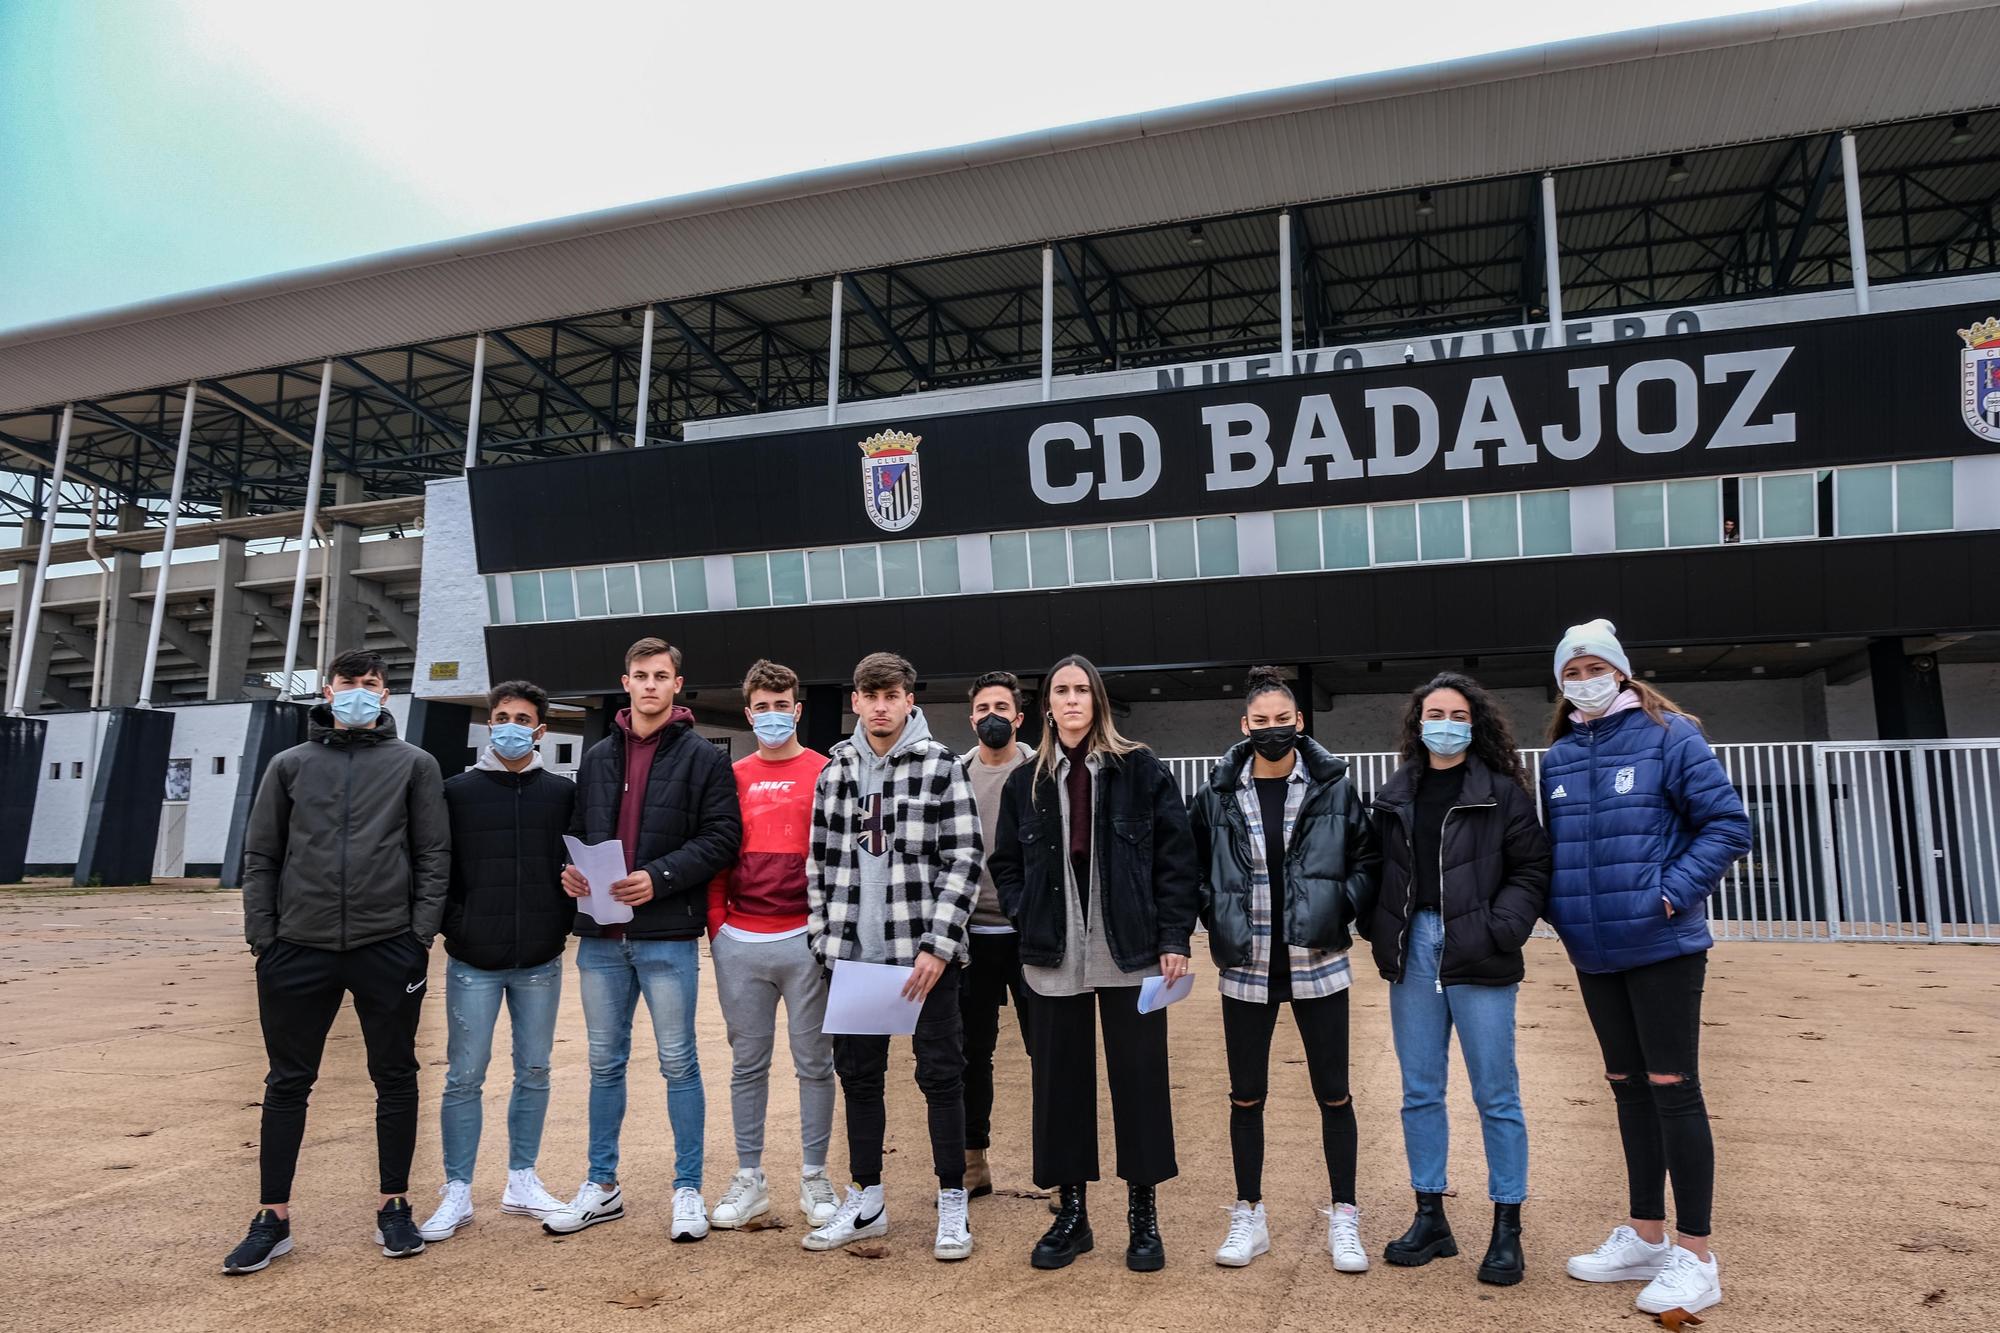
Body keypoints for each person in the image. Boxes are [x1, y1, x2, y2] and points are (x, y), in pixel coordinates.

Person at [1543, 619, 1750, 1320]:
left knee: (1673, 1088)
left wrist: (1668, 893)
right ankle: (1645, 1234)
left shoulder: (1671, 733)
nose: (1585, 679)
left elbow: (1727, 823)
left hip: (1662, 944)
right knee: (1627, 1088)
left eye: (1596, 666)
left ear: (1623, 672)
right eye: (1572, 671)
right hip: (1594, 950)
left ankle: (1695, 1255)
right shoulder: (1560, 754)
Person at [226, 648, 450, 1273]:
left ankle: (395, 1206)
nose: (358, 693)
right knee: (287, 1082)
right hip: (298, 948)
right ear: (328, 691)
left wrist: (418, 937)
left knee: (396, 1075)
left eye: (370, 684)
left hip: (387, 947)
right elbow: (261, 856)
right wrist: (263, 939)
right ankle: (274, 1216)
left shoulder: (415, 766)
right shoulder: (289, 765)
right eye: (348, 683)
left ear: (385, 694)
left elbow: (434, 856)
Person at [990, 654, 1198, 1274]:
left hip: (1130, 952)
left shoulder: (1140, 769)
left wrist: (1175, 937)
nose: (1073, 699)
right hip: (1053, 955)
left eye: (1083, 689)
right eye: (1062, 690)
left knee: (1140, 1085)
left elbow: (1176, 860)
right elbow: (1006, 864)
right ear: (1047, 704)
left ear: (1098, 700)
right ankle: (1072, 1216)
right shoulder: (1025, 781)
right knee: (1060, 1087)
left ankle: (1143, 1217)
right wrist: (1028, 913)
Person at [542, 637, 742, 1242]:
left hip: (667, 935)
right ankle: (601, 1186)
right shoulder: (598, 756)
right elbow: (578, 830)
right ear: (624, 683)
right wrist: (570, 871)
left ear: (678, 685)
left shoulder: (704, 758)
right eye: (640, 675)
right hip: (601, 938)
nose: (650, 684)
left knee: (679, 1064)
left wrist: (659, 878)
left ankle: (687, 1190)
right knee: (605, 1065)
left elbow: (722, 838)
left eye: (661, 675)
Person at [1190, 666, 1379, 1275]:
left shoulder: (1333, 788)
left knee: (1335, 1095)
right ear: (1245, 726)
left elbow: (1367, 858)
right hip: (1245, 966)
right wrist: (1212, 914)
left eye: (1283, 720)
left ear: (1300, 722)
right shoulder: (1218, 794)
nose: (1273, 731)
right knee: (1246, 1097)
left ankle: (1344, 1216)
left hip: (1317, 962)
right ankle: (1249, 1213)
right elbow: (1192, 866)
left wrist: (1338, 906)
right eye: (1260, 722)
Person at [1365, 672, 1550, 1286]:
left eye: (1458, 713)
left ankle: (1506, 1227)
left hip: (1479, 950)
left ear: (1475, 725)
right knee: (1420, 1090)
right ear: (1418, 722)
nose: (1445, 722)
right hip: (1413, 950)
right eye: (1434, 712)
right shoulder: (1395, 795)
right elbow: (1373, 868)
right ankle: (1431, 1216)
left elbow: (1531, 870)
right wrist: (1378, 925)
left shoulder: (1503, 793)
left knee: (1496, 1094)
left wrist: (1498, 929)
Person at [802, 651, 982, 1262]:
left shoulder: (939, 767)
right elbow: (819, 863)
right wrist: (825, 941)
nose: (880, 705)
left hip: (922, 959)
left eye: (892, 694)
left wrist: (938, 945)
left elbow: (964, 860)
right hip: (854, 953)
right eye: (869, 694)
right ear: (855, 700)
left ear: (911, 700)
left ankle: (952, 1200)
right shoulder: (835, 772)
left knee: (940, 1076)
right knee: (859, 1078)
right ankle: (867, 1197)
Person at [418, 680, 577, 1242]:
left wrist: (561, 918)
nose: (511, 725)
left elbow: (574, 865)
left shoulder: (561, 794)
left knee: (534, 1070)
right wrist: (453, 925)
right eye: (502, 715)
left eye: (523, 717)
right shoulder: (456, 791)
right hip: (472, 960)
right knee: (464, 1075)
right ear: (490, 723)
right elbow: (435, 867)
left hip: (539, 957)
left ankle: (521, 1178)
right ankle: (457, 1188)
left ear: (540, 729)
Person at [706, 660, 840, 1231]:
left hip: (805, 938)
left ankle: (814, 1177)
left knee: (815, 1064)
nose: (772, 715)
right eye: (762, 706)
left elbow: (839, 857)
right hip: (741, 940)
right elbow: (716, 852)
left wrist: (825, 929)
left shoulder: (827, 771)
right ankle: (749, 1178)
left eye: (781, 705)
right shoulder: (730, 775)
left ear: (798, 709)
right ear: (748, 712)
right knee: (747, 1065)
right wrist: (718, 928)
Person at [956, 670, 1037, 1199]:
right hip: (971, 934)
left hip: (1030, 934)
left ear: (1019, 717)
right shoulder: (953, 775)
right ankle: (972, 1162)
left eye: (1002, 707)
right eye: (984, 707)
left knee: (1049, 1050)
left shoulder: (1041, 772)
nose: (993, 716)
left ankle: (1060, 1166)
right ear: (971, 717)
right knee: (970, 1055)